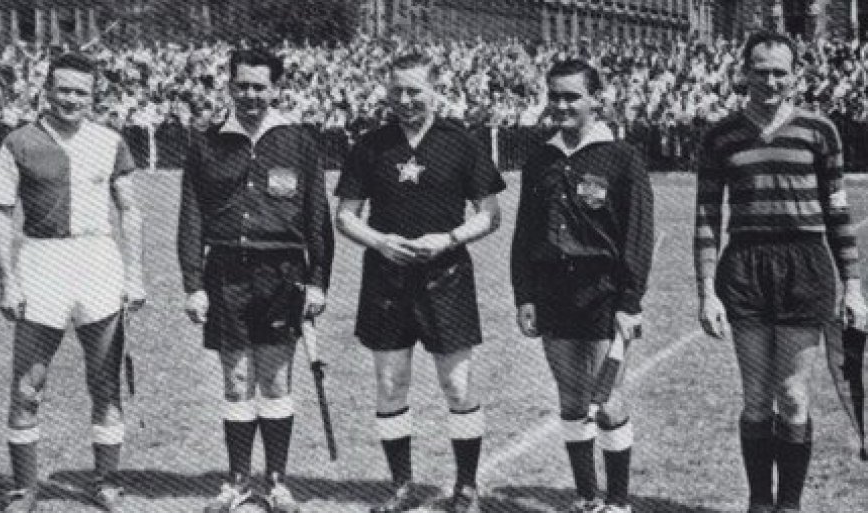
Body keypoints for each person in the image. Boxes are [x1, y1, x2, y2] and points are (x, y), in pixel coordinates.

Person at [694, 31, 868, 513]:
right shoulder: (720, 135)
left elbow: (838, 213)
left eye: (779, 72)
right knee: (755, 397)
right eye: (760, 71)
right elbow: (706, 215)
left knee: (792, 396)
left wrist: (854, 286)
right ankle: (758, 503)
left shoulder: (820, 130)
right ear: (743, 72)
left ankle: (788, 506)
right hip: (745, 267)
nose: (769, 81)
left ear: (796, 75)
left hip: (805, 266)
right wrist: (706, 290)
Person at [335, 53, 505, 513]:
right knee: (391, 383)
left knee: (458, 385)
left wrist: (448, 239)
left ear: (435, 90)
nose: (406, 100)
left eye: (415, 90)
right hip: (386, 279)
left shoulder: (461, 143)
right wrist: (380, 241)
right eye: (397, 91)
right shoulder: (371, 145)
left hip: (446, 276)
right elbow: (345, 216)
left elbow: (490, 214)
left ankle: (466, 486)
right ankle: (401, 486)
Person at [0, 52, 146, 513]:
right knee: (27, 387)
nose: (72, 99)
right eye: (64, 90)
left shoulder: (110, 141)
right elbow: (0, 214)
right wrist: (7, 281)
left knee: (105, 384)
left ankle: (106, 483)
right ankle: (25, 490)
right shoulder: (18, 142)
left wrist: (135, 274)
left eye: (81, 92)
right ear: (47, 90)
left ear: (93, 96)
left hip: (98, 260)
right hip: (42, 261)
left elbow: (130, 210)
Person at [178, 47, 332, 513]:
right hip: (226, 273)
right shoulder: (206, 141)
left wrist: (318, 280)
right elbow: (191, 216)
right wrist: (193, 284)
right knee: (237, 378)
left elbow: (317, 218)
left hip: (282, 274)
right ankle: (238, 481)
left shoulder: (299, 142)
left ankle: (277, 482)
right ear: (230, 85)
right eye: (242, 85)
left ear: (275, 89)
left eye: (259, 87)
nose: (249, 94)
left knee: (276, 378)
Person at [510, 59, 654, 513]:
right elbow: (524, 233)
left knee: (607, 399)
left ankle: (618, 502)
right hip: (552, 292)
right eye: (554, 96)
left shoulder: (622, 157)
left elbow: (638, 235)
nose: (562, 105)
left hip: (602, 293)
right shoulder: (541, 158)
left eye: (572, 96)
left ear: (596, 99)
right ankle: (587, 498)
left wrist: (629, 301)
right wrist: (524, 295)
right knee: (571, 398)